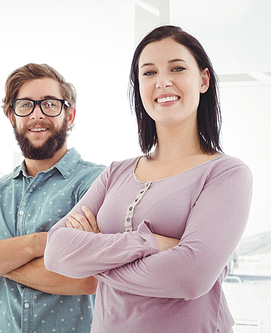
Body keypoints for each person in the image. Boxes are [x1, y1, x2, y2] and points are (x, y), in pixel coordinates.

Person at [44, 25, 253, 333]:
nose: (163, 82)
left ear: (204, 80)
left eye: (177, 68)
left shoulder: (227, 174)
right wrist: (150, 243)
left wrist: (94, 258)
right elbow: (57, 252)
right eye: (149, 72)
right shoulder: (117, 171)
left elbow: (189, 277)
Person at [0, 63, 106, 332]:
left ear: (70, 114)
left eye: (50, 105)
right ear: (12, 116)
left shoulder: (97, 182)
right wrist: (35, 245)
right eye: (25, 105)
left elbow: (87, 278)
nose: (37, 115)